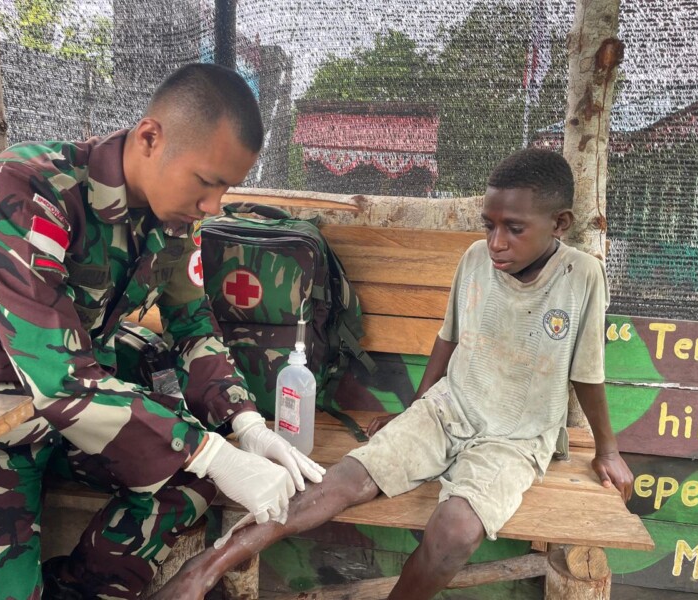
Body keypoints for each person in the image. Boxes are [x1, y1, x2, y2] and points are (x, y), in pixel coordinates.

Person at [152, 148, 635, 600]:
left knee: (455, 531)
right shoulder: (475, 259)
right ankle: (203, 568)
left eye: (514, 228)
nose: (495, 242)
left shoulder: (582, 276)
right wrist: (415, 410)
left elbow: (587, 372)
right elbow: (448, 338)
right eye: (489, 225)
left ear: (560, 224)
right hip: (447, 409)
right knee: (340, 481)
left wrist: (608, 451)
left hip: (516, 436)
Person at [0, 63, 324, 600]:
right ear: (151, 138)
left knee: (192, 478)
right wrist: (211, 452)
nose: (214, 205)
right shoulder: (25, 190)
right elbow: (58, 376)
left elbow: (193, 324)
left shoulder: (171, 219)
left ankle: (79, 590)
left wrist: (244, 422)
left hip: (75, 419)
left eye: (227, 188)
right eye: (208, 182)